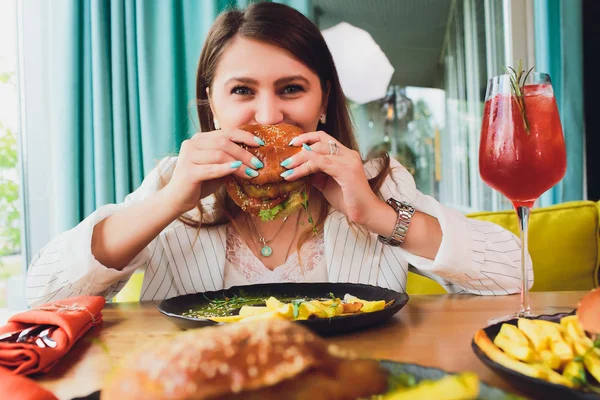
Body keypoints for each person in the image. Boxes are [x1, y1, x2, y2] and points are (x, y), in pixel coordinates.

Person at [26, 2, 530, 307]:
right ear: (213, 104)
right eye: (242, 91)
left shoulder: (374, 179)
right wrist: (167, 204)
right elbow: (45, 295)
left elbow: (517, 274)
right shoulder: (172, 181)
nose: (269, 115)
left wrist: (376, 213)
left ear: (324, 99)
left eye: (291, 88)